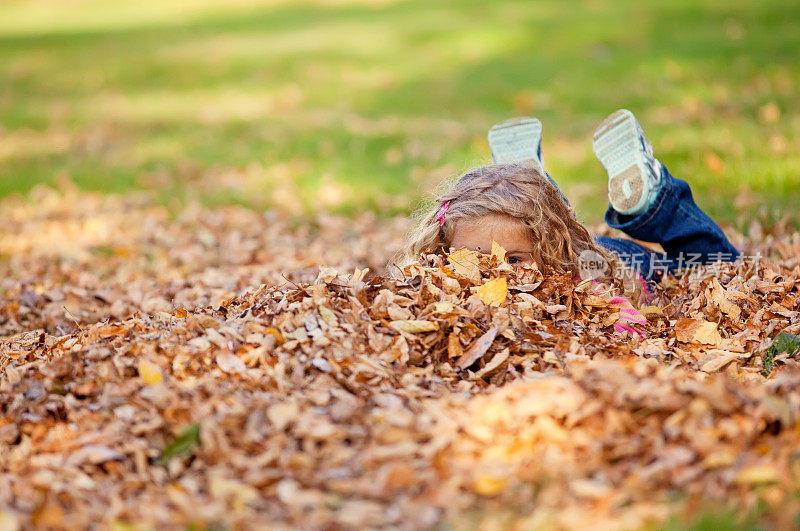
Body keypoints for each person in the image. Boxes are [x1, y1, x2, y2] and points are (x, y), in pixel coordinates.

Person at [402, 109, 740, 288]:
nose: (497, 272)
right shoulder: (439, 285)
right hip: (562, 242)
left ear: (546, 250)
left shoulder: (589, 281)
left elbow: (626, 327)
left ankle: (655, 202)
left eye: (515, 260)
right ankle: (528, 181)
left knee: (714, 267)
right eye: (474, 259)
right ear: (442, 253)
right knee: (543, 218)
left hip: (609, 258)